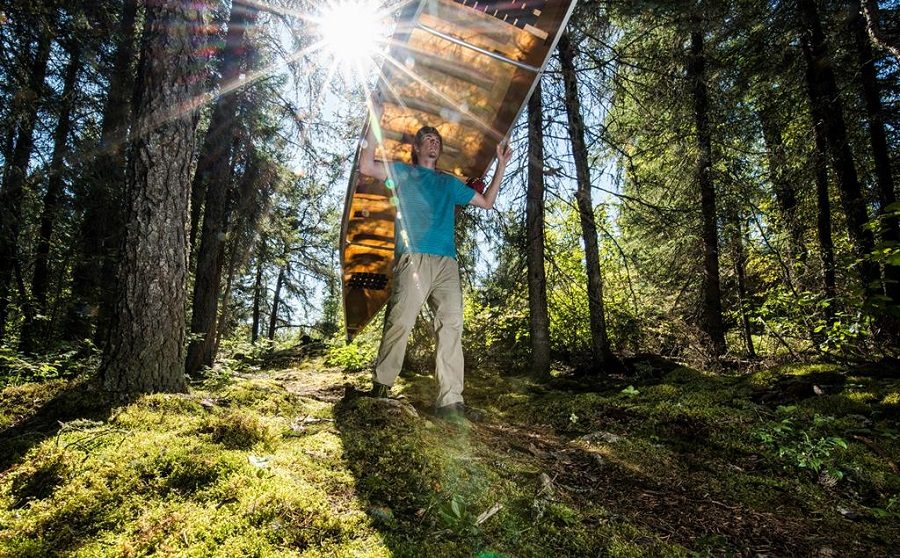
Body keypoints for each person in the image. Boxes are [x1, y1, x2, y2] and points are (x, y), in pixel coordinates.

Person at [352, 95, 512, 420]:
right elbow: (366, 165)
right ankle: (381, 388)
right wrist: (375, 118)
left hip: (447, 263)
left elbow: (487, 202)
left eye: (437, 140)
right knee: (401, 320)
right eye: (427, 139)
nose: (433, 143)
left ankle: (450, 402)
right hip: (414, 257)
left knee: (451, 325)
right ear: (417, 148)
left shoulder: (448, 183)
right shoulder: (402, 172)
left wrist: (502, 164)